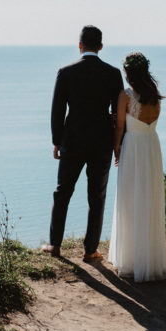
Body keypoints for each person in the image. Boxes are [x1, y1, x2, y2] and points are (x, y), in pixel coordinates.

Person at [42, 26, 123, 261]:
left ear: (80, 45)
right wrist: (118, 142)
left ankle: (55, 245)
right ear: (100, 46)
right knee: (97, 196)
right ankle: (90, 250)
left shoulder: (65, 72)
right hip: (102, 141)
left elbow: (58, 110)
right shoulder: (113, 73)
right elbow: (118, 113)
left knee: (62, 192)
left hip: (73, 140)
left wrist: (57, 141)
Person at [107, 51, 166, 282]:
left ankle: (131, 258)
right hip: (151, 147)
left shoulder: (125, 95)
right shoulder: (154, 94)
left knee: (129, 199)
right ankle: (149, 257)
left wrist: (116, 148)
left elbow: (120, 127)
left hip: (133, 148)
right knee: (149, 198)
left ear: (127, 72)